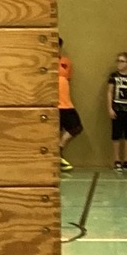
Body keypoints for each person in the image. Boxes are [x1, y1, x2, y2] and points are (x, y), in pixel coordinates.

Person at [58, 38, 82, 173]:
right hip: (53, 105)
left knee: (76, 127)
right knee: (54, 132)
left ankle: (58, 150)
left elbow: (67, 80)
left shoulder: (66, 62)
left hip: (66, 104)